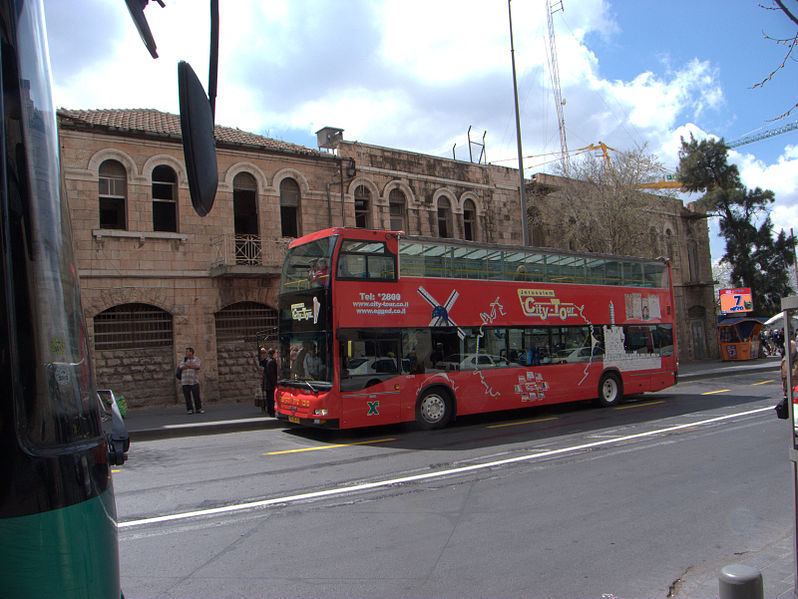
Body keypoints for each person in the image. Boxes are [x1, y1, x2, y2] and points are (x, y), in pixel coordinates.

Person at [179, 347, 203, 414]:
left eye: (187, 351)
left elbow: (197, 367)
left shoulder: (197, 359)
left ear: (191, 352)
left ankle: (198, 408)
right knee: (187, 396)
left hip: (194, 381)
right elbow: (181, 367)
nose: (186, 353)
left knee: (196, 395)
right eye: (186, 352)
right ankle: (189, 409)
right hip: (185, 381)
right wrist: (189, 366)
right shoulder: (183, 360)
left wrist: (188, 366)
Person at [259, 347, 278, 416]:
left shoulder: (267, 360)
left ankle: (270, 411)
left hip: (267, 383)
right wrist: (275, 383)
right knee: (271, 398)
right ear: (273, 353)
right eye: (276, 353)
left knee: (269, 398)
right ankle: (272, 412)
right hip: (270, 384)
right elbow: (272, 374)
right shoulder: (272, 361)